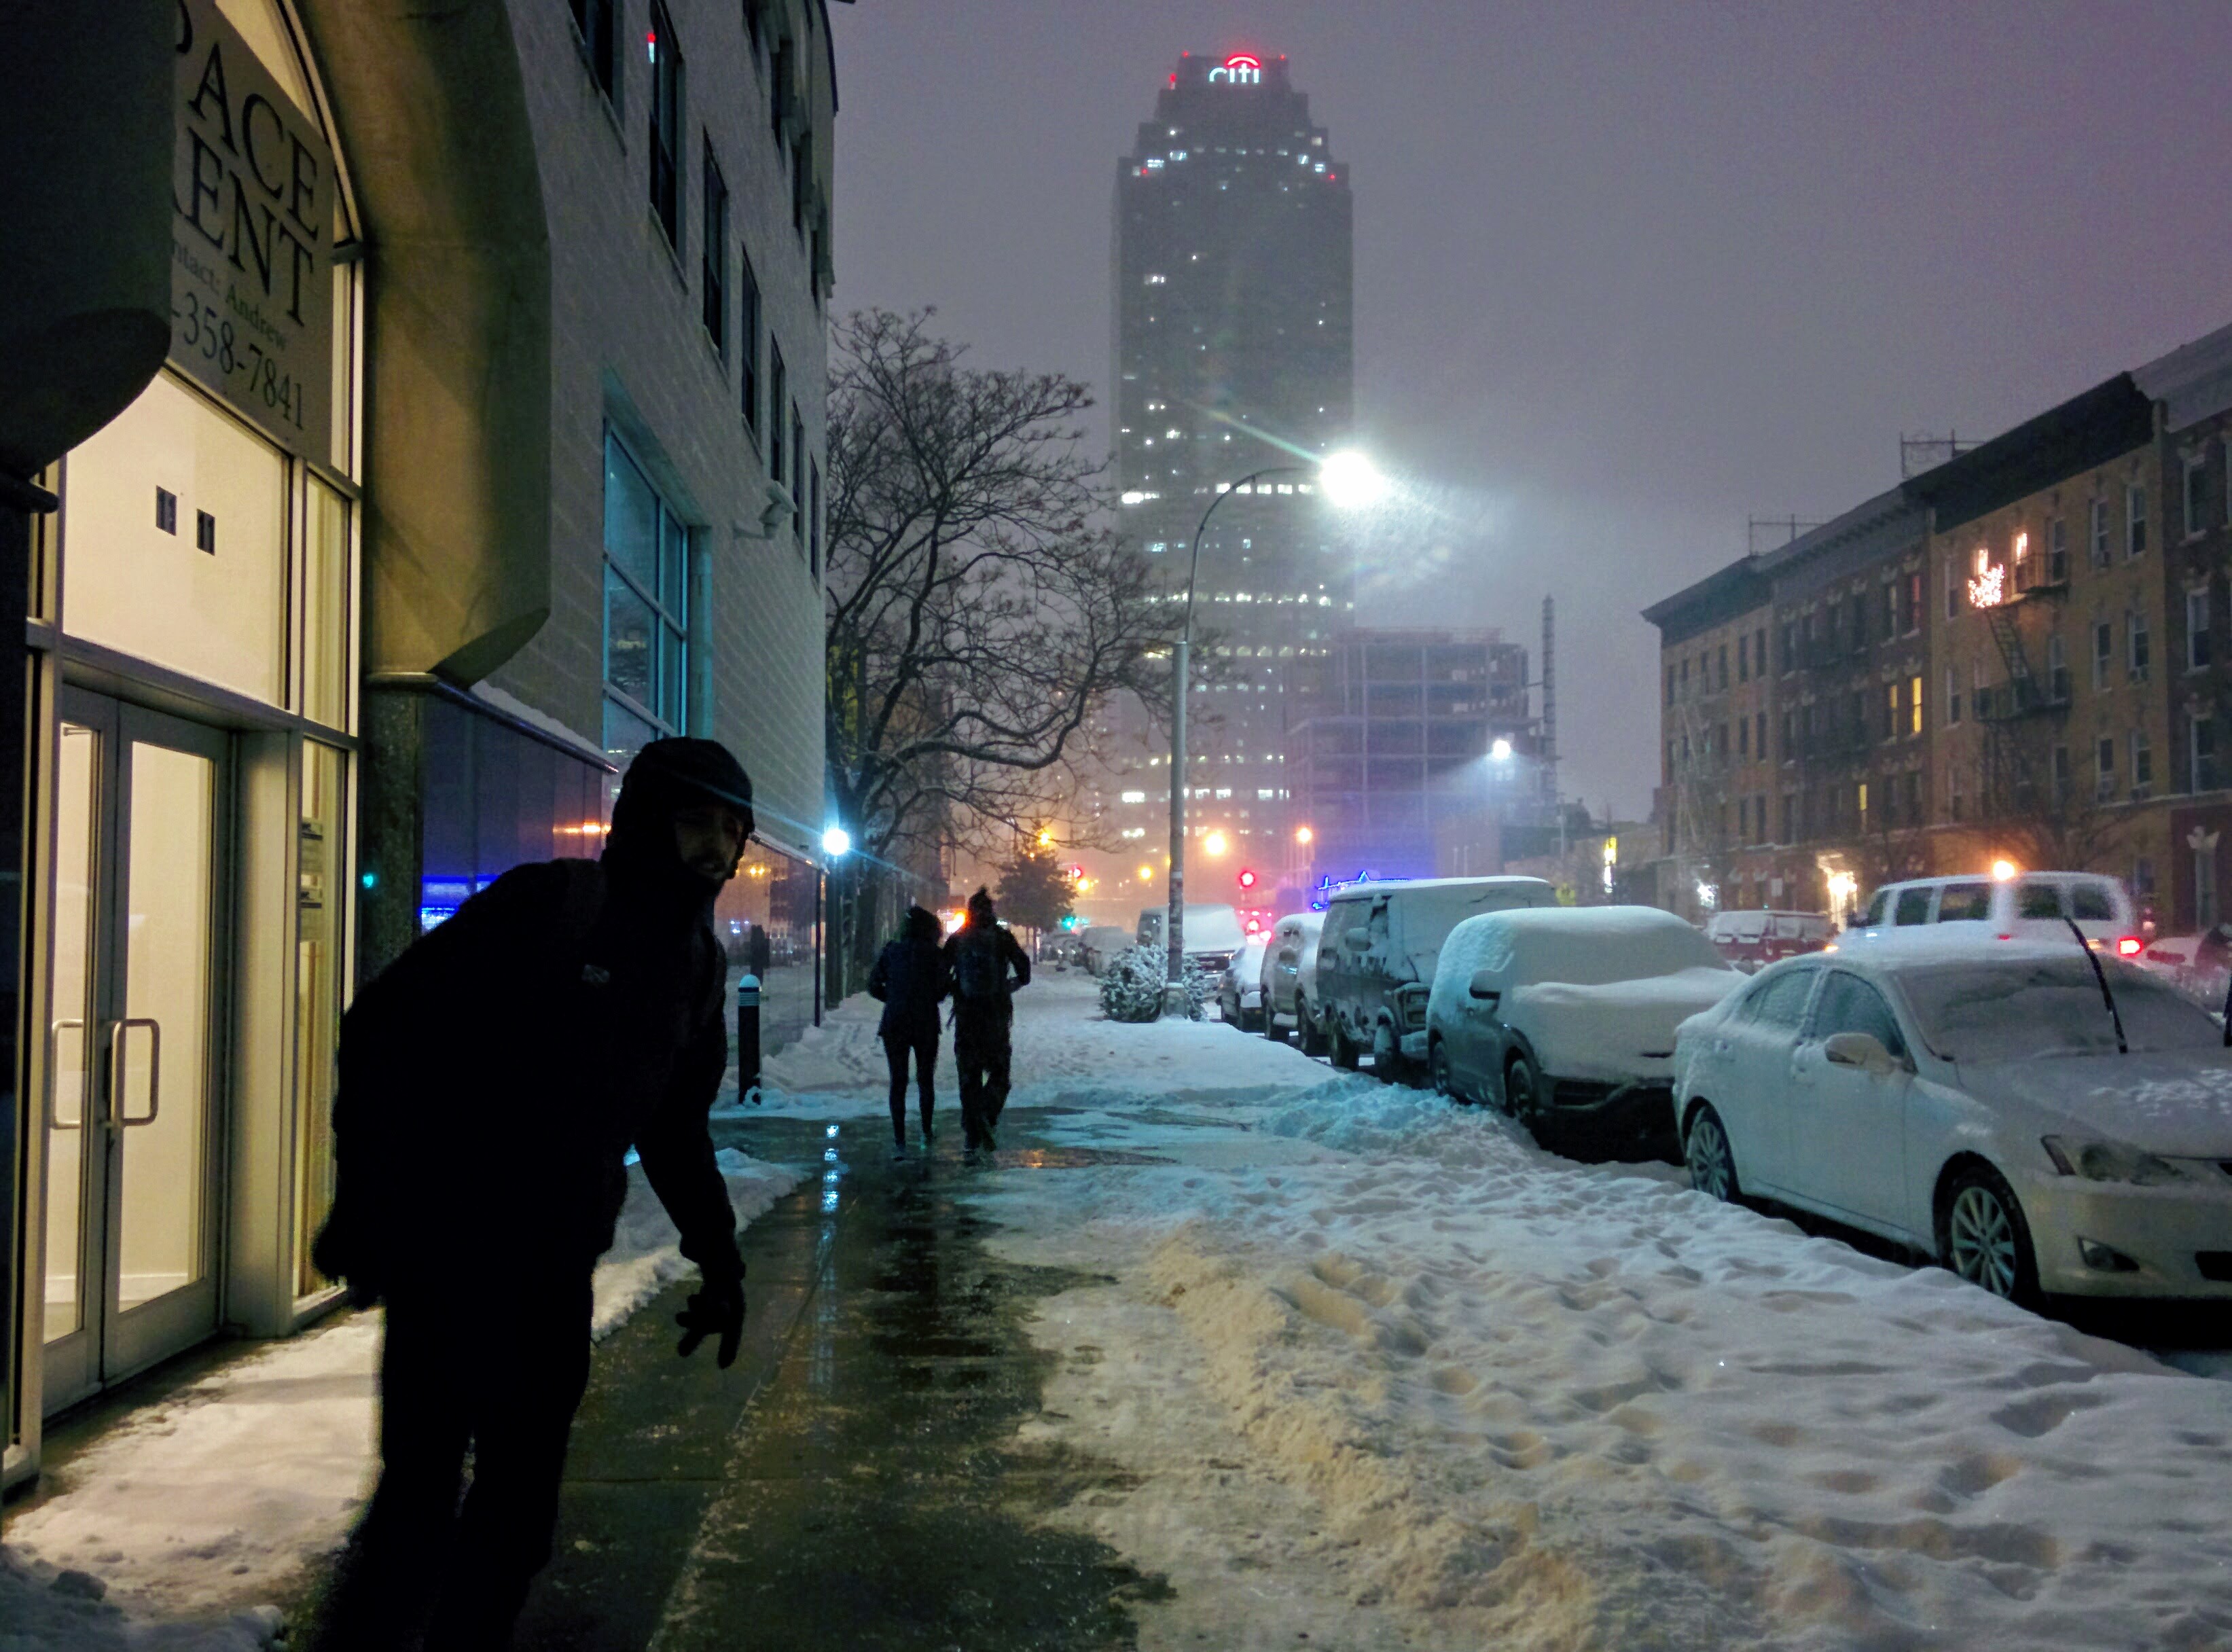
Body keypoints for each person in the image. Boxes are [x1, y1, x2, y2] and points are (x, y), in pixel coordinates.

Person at [308, 738, 756, 1651]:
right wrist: (367, 1206)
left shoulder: (696, 968)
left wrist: (718, 1257)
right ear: (643, 823)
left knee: (518, 1515)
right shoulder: (547, 908)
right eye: (697, 823)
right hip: (449, 1257)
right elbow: (381, 1034)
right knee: (418, 1503)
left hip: (554, 1270)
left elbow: (675, 1131)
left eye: (733, 830)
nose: (717, 848)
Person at [942, 887, 1032, 1151]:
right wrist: (1008, 986)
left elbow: (940, 972)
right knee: (1000, 1074)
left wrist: (954, 988)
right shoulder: (1003, 938)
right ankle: (986, 1110)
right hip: (996, 1015)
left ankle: (973, 1125)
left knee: (968, 1074)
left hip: (967, 1015)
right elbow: (1025, 972)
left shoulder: (958, 939)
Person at [867, 904, 950, 1152]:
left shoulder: (892, 951)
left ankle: (899, 1136)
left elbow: (873, 985)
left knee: (898, 1080)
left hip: (895, 1022)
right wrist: (928, 997)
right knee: (926, 1079)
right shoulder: (934, 954)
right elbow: (943, 988)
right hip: (925, 1021)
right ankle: (926, 1129)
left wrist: (893, 998)